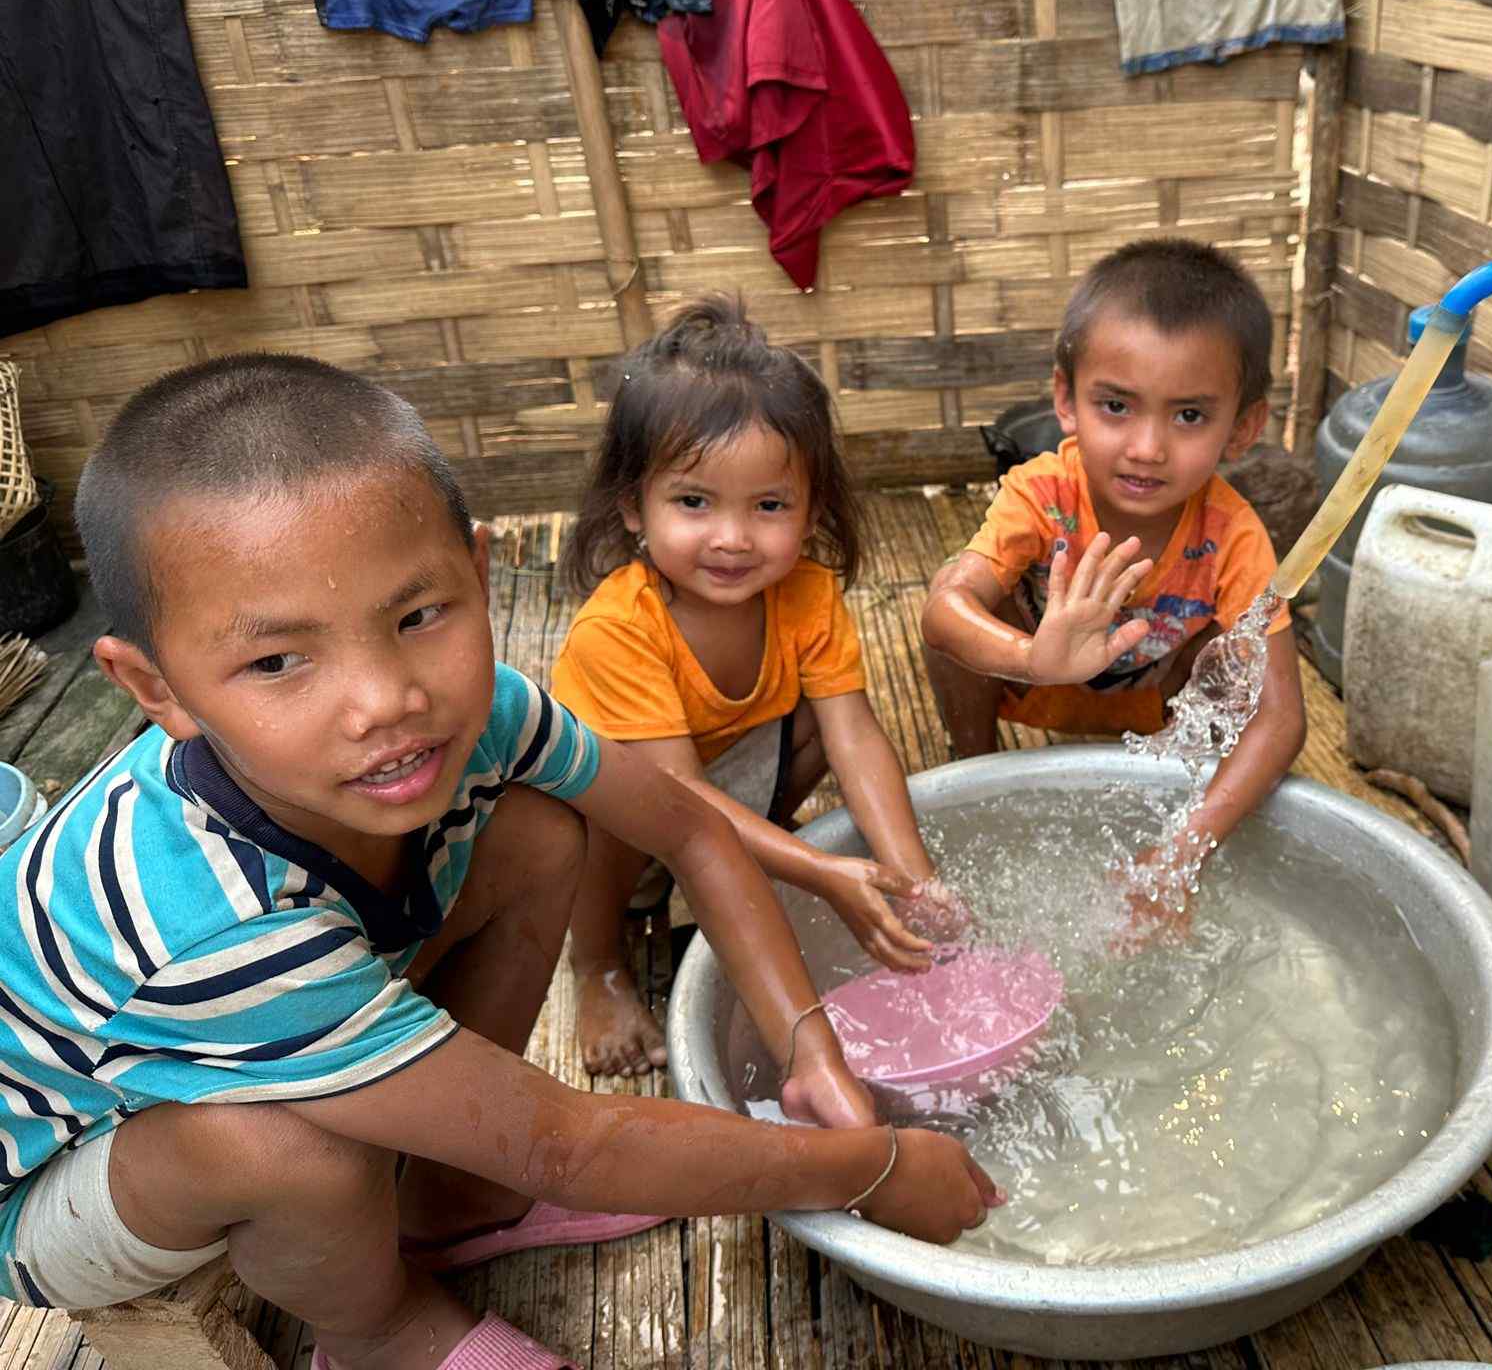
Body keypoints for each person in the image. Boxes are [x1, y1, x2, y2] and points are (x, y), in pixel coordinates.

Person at [0, 356, 996, 1370]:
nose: (386, 699)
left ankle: (453, 1197)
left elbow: (688, 830)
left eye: (417, 616)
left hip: (226, 1034)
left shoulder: (483, 717)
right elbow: (567, 1144)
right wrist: (869, 1168)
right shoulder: (208, 926)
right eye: (276, 661)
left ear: (478, 575)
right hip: (52, 1175)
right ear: (155, 688)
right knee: (285, 1145)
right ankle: (377, 1332)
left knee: (536, 831)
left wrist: (811, 1052)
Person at [553, 298, 962, 1077]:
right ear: (634, 506)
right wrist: (819, 870)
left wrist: (914, 879)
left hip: (727, 784)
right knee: (600, 799)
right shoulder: (619, 630)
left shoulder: (805, 593)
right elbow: (672, 797)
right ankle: (598, 966)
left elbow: (854, 734)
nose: (734, 538)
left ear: (810, 512)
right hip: (633, 825)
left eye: (769, 505)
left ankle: (760, 843)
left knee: (819, 716)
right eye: (694, 502)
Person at [922, 238, 1307, 941]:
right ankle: (975, 769)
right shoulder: (1043, 494)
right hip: (1030, 683)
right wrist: (1031, 655)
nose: (1147, 448)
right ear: (1067, 400)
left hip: (1157, 714)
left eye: (1189, 415)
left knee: (1242, 647)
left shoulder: (1234, 534)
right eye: (1117, 406)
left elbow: (1281, 721)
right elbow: (941, 613)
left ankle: (1180, 795)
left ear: (1243, 427)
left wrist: (1175, 857)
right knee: (965, 604)